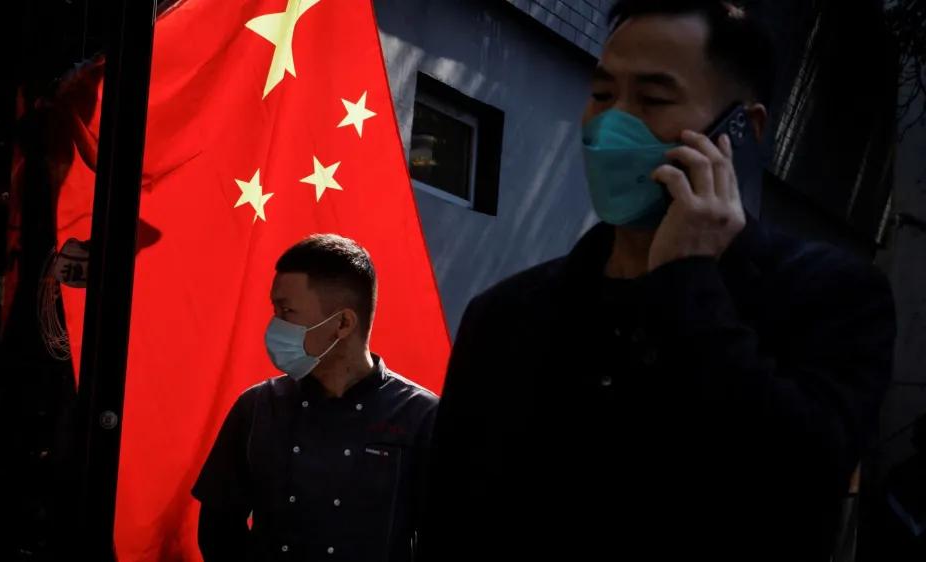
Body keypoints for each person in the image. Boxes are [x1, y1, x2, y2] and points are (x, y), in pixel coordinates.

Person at [419, 1, 896, 561]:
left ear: (743, 129)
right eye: (601, 95)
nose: (611, 124)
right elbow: (447, 521)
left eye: (653, 100)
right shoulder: (505, 316)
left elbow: (799, 480)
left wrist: (687, 281)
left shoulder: (830, 297)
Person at [192, 234, 438, 562]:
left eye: (287, 310)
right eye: (274, 308)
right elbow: (218, 528)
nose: (275, 325)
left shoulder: (421, 417)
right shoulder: (257, 408)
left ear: (343, 323)